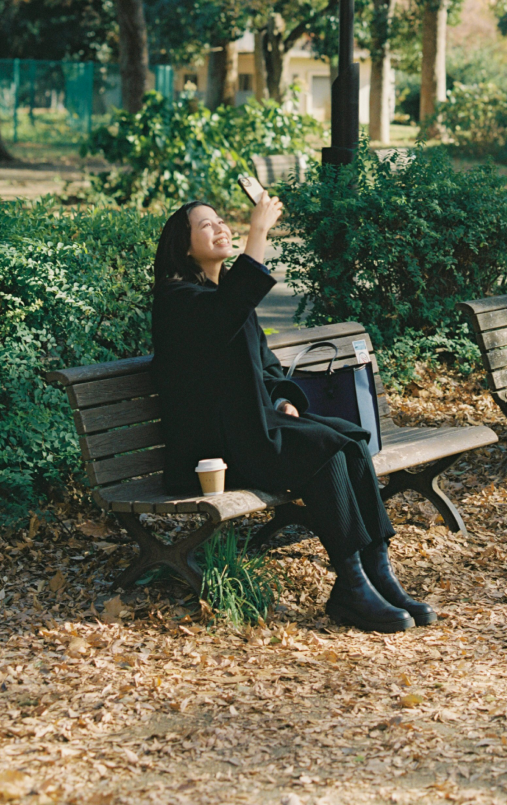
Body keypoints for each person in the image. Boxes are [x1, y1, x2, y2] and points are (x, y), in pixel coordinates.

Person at [151, 195, 436, 634]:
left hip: (252, 427)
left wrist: (285, 397)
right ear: (184, 246)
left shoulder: (222, 294)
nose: (220, 227)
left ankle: (376, 574)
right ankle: (350, 584)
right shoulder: (177, 299)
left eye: (222, 220)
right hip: (214, 452)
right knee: (324, 450)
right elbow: (221, 317)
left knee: (350, 438)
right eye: (206, 225)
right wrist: (259, 233)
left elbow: (264, 364)